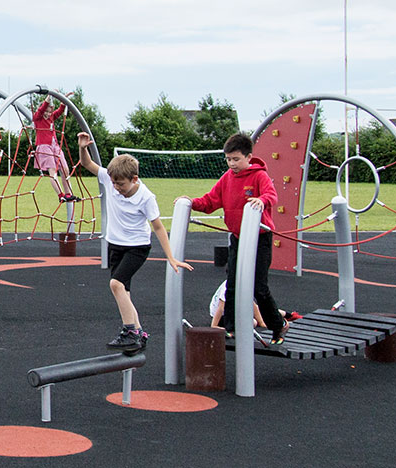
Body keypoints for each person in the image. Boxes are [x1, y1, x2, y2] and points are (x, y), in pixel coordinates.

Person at [77, 132, 193, 353]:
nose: (116, 188)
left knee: (116, 284)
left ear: (134, 179)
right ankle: (139, 333)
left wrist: (170, 256)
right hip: (115, 245)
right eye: (113, 183)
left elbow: (158, 227)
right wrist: (83, 148)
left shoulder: (146, 198)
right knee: (124, 294)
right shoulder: (110, 181)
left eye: (120, 184)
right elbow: (87, 163)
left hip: (137, 247)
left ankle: (130, 331)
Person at [181, 132, 289, 345]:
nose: (232, 164)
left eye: (236, 159)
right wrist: (190, 202)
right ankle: (230, 327)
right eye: (229, 159)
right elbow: (210, 201)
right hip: (238, 238)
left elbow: (272, 195)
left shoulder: (259, 176)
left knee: (259, 287)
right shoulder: (227, 178)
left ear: (249, 157)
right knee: (233, 283)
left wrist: (261, 200)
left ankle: (278, 326)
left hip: (260, 239)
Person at [33, 100, 79, 203]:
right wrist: (48, 98)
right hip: (44, 146)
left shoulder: (51, 118)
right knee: (53, 171)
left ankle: (68, 194)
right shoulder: (37, 118)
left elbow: (60, 110)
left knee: (65, 169)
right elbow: (41, 110)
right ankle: (60, 195)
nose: (48, 114)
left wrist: (64, 99)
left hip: (55, 146)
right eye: (46, 111)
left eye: (50, 112)